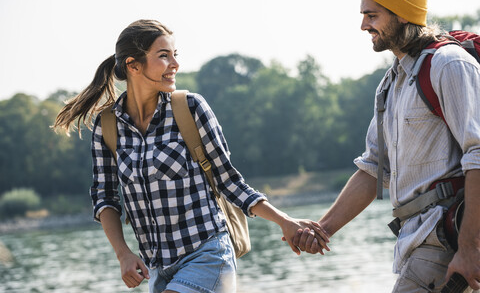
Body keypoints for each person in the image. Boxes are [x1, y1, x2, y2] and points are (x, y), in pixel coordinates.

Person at [53, 19, 329, 293]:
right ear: (133, 65)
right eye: (163, 56)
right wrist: (122, 253)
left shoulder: (190, 108)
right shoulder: (108, 125)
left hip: (207, 256)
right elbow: (105, 198)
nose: (175, 64)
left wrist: (285, 222)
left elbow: (229, 181)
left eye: (175, 55)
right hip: (157, 271)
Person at [292, 0, 480, 291]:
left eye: (372, 15)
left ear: (402, 13)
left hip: (446, 242)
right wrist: (322, 229)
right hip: (414, 243)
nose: (363, 25)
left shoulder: (449, 65)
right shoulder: (389, 84)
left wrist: (469, 248)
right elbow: (373, 169)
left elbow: (478, 154)